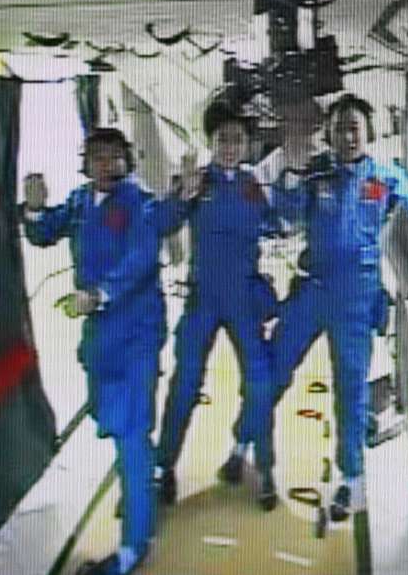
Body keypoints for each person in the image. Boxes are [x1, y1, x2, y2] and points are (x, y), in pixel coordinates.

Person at [22, 127, 192, 575]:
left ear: (126, 161)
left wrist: (99, 295)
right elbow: (44, 232)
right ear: (85, 163)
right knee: (111, 420)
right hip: (99, 338)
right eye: (96, 156)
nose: (105, 163)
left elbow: (140, 258)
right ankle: (144, 484)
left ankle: (134, 545)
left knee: (131, 432)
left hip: (136, 332)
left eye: (114, 156)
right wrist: (34, 208)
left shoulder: (138, 203)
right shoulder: (80, 203)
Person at [271, 93, 408, 522]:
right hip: (314, 289)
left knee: (351, 390)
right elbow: (286, 213)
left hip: (357, 299)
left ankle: (352, 481)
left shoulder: (385, 177)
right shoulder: (316, 174)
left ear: (368, 133)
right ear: (329, 134)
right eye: (340, 129)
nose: (347, 137)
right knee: (273, 365)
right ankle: (253, 447)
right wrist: (292, 172)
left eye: (354, 128)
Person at [156, 101, 280, 510]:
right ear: (210, 142)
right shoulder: (196, 181)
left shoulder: (253, 186)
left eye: (237, 139)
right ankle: (164, 467)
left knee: (260, 381)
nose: (230, 147)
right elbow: (162, 224)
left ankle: (261, 465)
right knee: (185, 383)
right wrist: (182, 193)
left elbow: (279, 223)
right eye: (222, 139)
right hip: (203, 299)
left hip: (244, 298)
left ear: (247, 145)